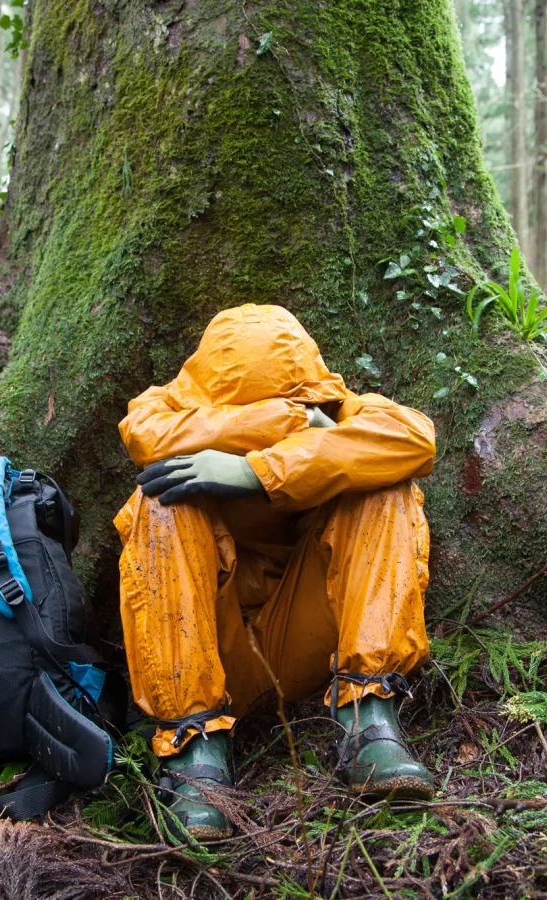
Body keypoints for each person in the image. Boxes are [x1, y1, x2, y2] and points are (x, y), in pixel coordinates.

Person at [115, 304, 437, 840]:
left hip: (312, 643)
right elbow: (147, 438)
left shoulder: (351, 410)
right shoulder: (162, 409)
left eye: (287, 403)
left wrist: (257, 470)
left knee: (387, 487)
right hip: (213, 651)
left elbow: (414, 440)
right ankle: (194, 752)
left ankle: (369, 721)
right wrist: (285, 423)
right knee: (159, 503)